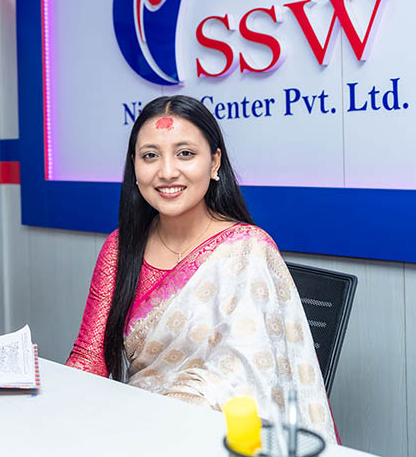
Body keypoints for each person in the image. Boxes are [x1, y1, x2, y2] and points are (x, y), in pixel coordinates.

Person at [66, 95, 337, 443]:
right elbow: (90, 357)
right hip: (135, 426)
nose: (167, 171)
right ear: (134, 166)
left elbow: (246, 379)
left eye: (185, 153)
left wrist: (162, 422)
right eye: (150, 156)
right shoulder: (120, 248)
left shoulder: (247, 251)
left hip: (218, 435)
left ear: (214, 162)